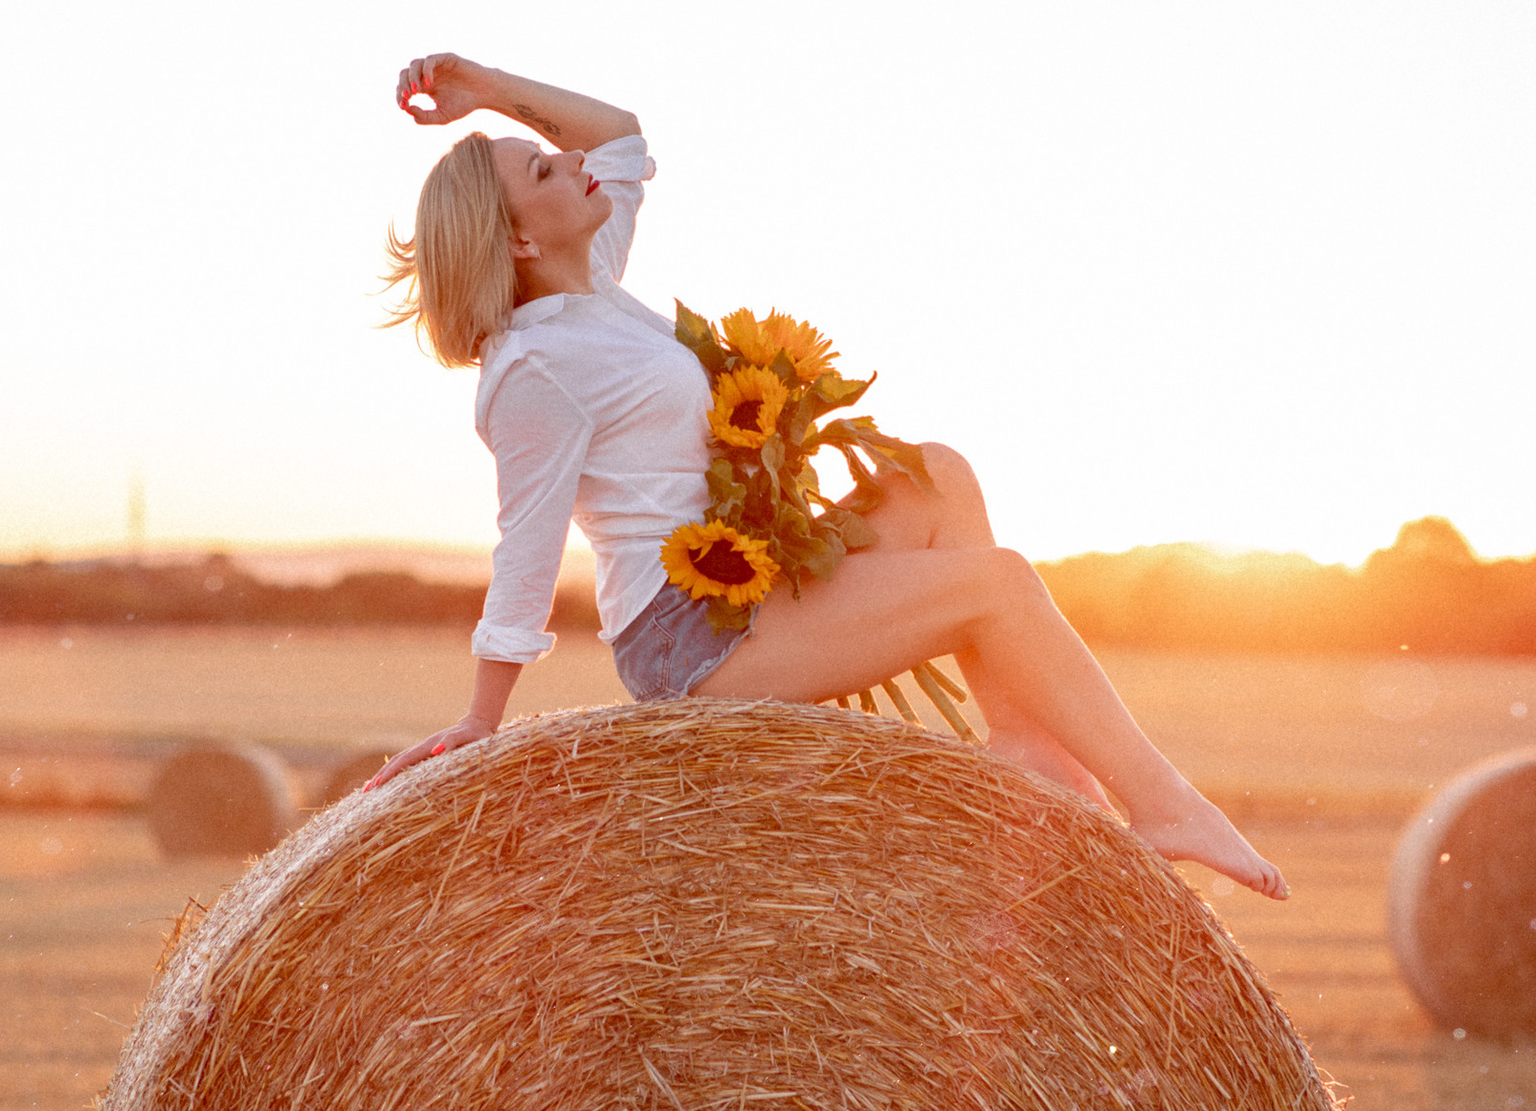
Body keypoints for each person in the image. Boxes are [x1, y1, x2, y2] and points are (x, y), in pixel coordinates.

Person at [371, 55, 1287, 900]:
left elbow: (620, 136)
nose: (573, 164)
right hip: (691, 639)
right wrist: (481, 721)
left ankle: (1027, 758)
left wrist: (485, 87)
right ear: (522, 244)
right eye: (542, 172)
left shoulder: (591, 286)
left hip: (750, 582)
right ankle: (1164, 804)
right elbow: (524, 549)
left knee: (935, 474)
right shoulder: (533, 369)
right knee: (999, 587)